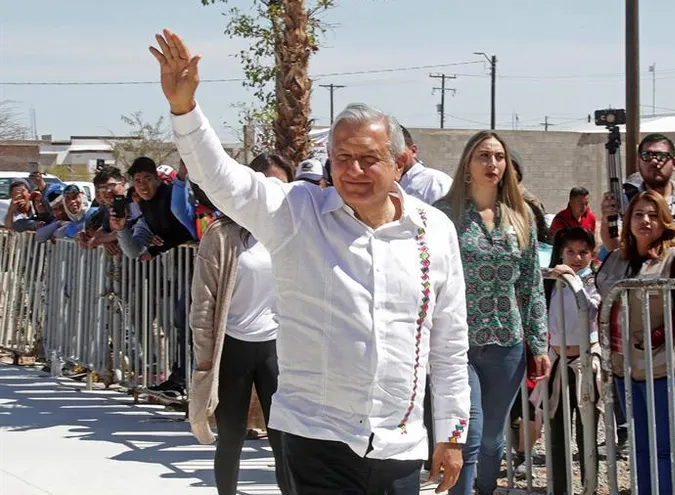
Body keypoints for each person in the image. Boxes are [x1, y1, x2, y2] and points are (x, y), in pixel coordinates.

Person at [151, 29, 469, 494]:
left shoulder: (434, 231)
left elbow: (449, 341)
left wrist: (452, 433)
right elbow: (223, 180)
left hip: (398, 446)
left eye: (368, 159)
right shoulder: (296, 214)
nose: (353, 171)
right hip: (314, 436)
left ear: (399, 163)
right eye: (342, 158)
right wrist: (185, 110)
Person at [433, 130, 550, 495]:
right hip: (457, 343)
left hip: (506, 343)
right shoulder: (444, 215)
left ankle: (486, 488)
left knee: (492, 438)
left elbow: (530, 285)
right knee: (469, 431)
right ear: (468, 163)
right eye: (484, 155)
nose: (493, 164)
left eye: (499, 157)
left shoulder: (520, 219)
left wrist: (540, 343)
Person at [189, 155, 296, 495]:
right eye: (265, 183)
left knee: (284, 441)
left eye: (279, 184)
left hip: (277, 349)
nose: (272, 192)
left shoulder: (296, 232)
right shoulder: (222, 235)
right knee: (231, 438)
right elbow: (203, 302)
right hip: (233, 346)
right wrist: (205, 358)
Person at [595, 190, 675, 495]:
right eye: (640, 214)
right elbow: (601, 294)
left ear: (665, 220)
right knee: (640, 444)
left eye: (654, 215)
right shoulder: (616, 258)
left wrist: (658, 335)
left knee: (664, 445)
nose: (646, 221)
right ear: (629, 220)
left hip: (662, 367)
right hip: (622, 367)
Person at [543, 227, 601, 495]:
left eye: (583, 252)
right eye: (570, 251)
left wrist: (574, 281)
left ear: (591, 254)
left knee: (586, 428)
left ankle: (589, 485)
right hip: (556, 360)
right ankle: (560, 488)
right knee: (556, 428)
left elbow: (591, 311)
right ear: (561, 252)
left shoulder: (594, 281)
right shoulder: (550, 280)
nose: (576, 258)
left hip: (585, 361)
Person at [600, 133, 675, 252]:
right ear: (638, 162)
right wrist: (607, 219)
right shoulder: (625, 202)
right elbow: (614, 247)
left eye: (662, 156)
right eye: (647, 156)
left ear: (674, 163)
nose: (654, 161)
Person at [398, 126, 452, 205]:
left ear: (413, 151)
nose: (391, 155)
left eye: (397, 149)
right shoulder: (381, 187)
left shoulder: (435, 182)